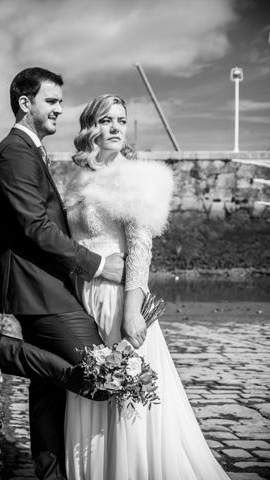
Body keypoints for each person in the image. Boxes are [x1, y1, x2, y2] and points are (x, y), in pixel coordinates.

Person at [63, 94, 229, 480]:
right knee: (93, 386)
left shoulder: (135, 178)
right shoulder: (80, 177)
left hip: (118, 299)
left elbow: (140, 249)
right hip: (83, 297)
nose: (116, 127)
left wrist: (132, 311)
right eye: (106, 120)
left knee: (123, 392)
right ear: (91, 127)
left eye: (121, 120)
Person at [0, 67, 125, 480]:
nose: (61, 109)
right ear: (26, 103)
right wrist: (96, 264)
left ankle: (51, 474)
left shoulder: (31, 151)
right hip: (38, 289)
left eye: (60, 101)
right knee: (104, 377)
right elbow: (34, 227)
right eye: (52, 101)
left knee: (49, 393)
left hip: (47, 286)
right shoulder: (15, 153)